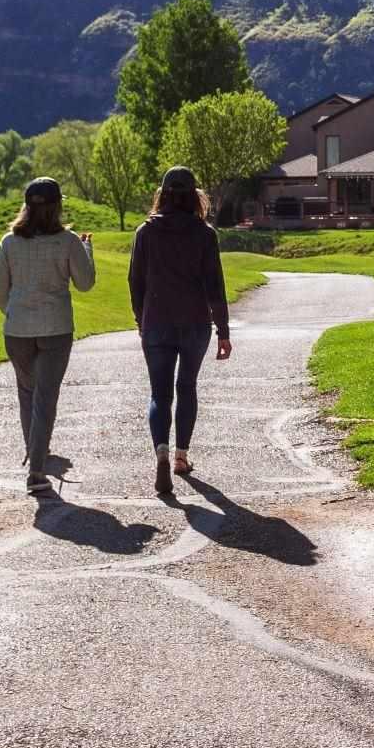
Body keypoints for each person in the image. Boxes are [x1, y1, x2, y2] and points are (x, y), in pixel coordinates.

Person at [127, 165, 232, 498]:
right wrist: (224, 330)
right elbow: (215, 286)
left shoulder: (145, 233)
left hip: (156, 322)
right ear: (194, 196)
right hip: (195, 323)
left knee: (160, 393)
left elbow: (135, 281)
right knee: (186, 387)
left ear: (162, 194)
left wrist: (140, 318)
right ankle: (181, 457)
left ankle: (160, 450)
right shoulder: (205, 234)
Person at [0, 176, 96, 495]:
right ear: (57, 206)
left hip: (17, 329)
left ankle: (35, 451)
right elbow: (85, 282)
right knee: (46, 396)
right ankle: (37, 469)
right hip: (56, 328)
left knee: (27, 392)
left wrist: (16, 311)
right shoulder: (68, 241)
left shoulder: (9, 242)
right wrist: (88, 250)